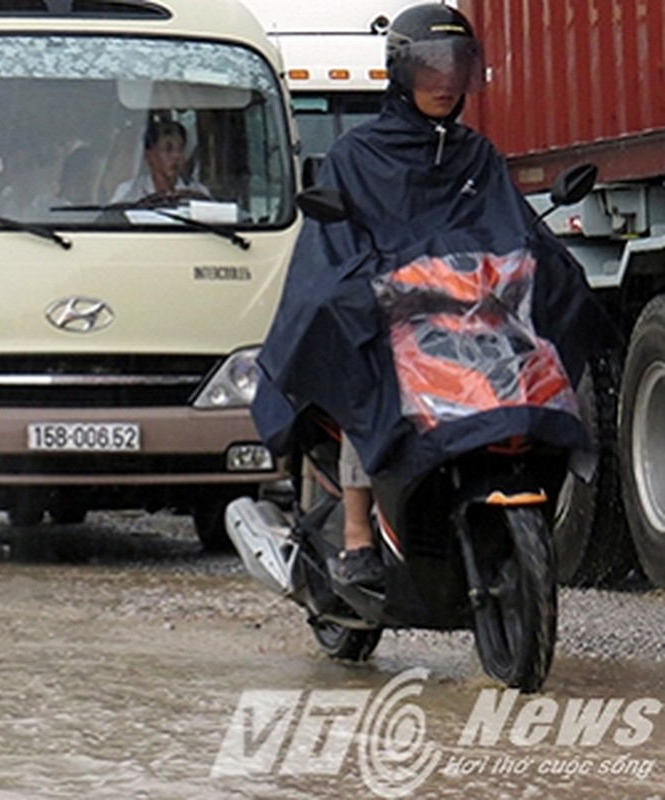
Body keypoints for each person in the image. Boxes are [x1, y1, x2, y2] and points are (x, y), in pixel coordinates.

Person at [251, 4, 616, 589]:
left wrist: (552, 273)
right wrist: (364, 286)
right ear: (400, 72)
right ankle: (356, 534)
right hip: (395, 322)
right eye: (429, 68)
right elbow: (335, 243)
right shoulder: (356, 155)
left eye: (457, 66)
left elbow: (514, 228)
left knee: (540, 354)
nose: (444, 82)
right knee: (367, 375)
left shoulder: (479, 156)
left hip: (469, 322)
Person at [110, 118, 209, 203]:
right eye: (168, 150)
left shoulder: (198, 192)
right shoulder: (129, 191)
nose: (176, 156)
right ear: (149, 155)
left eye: (180, 149)